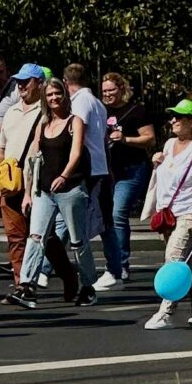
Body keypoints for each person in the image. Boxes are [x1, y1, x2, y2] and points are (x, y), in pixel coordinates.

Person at [13, 78, 94, 310]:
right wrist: (29, 192)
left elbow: (76, 153)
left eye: (57, 93)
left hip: (71, 190)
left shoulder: (74, 122)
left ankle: (87, 285)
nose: (54, 98)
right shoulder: (43, 124)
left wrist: (65, 176)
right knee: (36, 237)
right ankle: (27, 286)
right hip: (44, 191)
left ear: (64, 95)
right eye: (49, 95)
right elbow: (34, 161)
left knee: (78, 242)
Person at [143, 101, 192, 328]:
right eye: (172, 117)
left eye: (179, 117)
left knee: (172, 260)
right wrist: (156, 162)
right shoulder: (169, 144)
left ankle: (166, 312)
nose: (173, 121)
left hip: (190, 213)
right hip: (168, 214)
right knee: (189, 266)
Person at [64, 61, 115, 288]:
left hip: (89, 170)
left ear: (66, 83)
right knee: (100, 222)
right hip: (99, 167)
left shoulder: (80, 102)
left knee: (99, 223)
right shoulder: (97, 103)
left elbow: (78, 130)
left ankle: (114, 270)